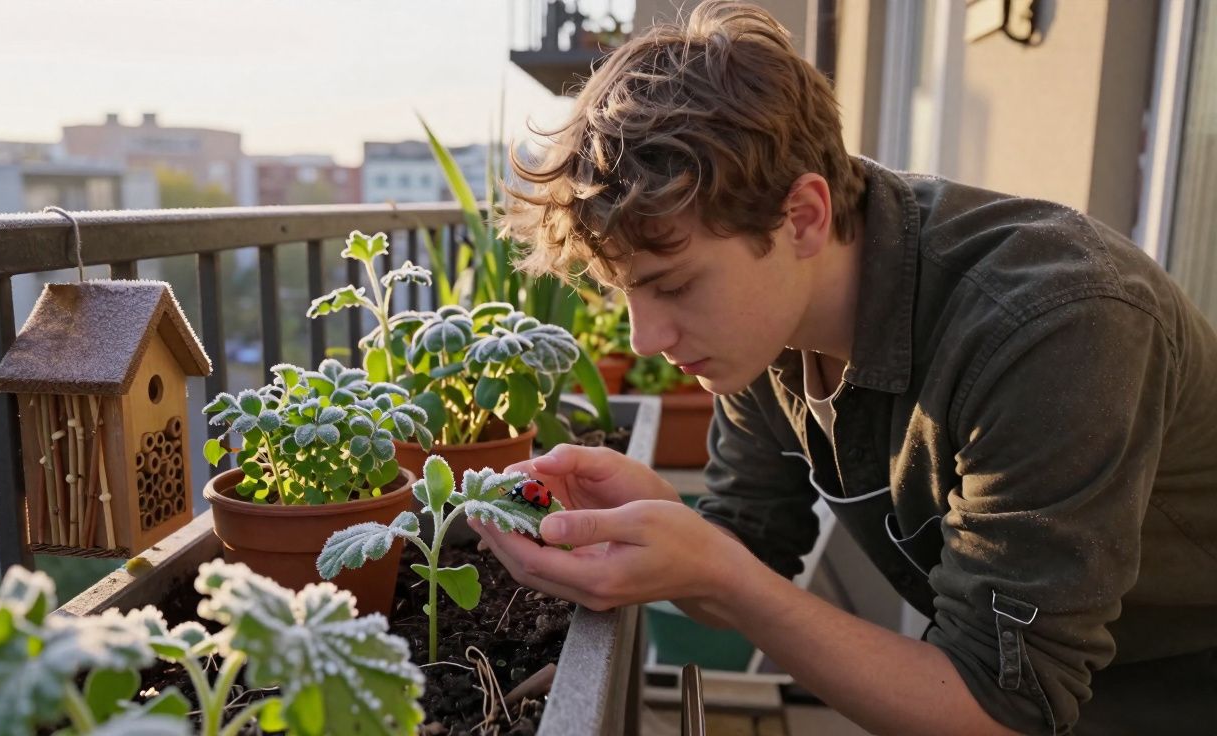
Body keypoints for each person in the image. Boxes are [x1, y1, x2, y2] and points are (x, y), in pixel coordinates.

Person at [470, 2, 1217, 734]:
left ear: (803, 217)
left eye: (673, 284)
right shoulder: (766, 323)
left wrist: (717, 573)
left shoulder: (1059, 329)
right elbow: (749, 542)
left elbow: (1001, 708)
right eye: (626, 293)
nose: (643, 338)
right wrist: (653, 524)